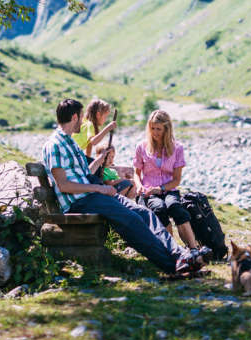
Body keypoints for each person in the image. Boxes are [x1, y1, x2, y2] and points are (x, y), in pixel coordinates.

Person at [42, 99, 208, 275]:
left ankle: (181, 255)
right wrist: (99, 188)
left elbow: (85, 173)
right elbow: (63, 185)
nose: (84, 120)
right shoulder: (55, 145)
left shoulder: (69, 142)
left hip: (92, 195)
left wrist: (100, 159)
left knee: (145, 213)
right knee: (131, 220)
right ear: (75, 117)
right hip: (81, 201)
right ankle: (174, 266)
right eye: (82, 116)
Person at [133, 110, 200, 250]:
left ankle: (194, 248)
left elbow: (176, 180)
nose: (155, 132)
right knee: (158, 207)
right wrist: (139, 186)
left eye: (159, 129)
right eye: (152, 128)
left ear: (167, 129)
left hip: (169, 189)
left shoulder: (177, 148)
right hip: (149, 192)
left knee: (175, 206)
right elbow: (136, 174)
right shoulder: (142, 146)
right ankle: (172, 249)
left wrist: (160, 188)